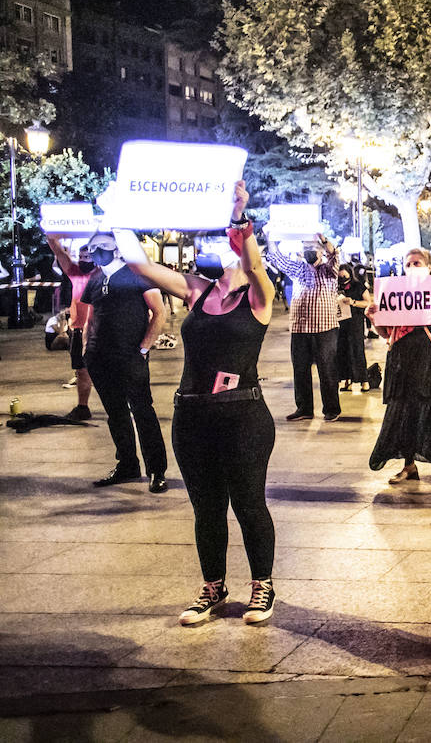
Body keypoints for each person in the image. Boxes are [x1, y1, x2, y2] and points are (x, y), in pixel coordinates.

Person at [114, 181, 279, 625]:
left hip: (243, 416)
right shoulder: (198, 291)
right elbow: (139, 265)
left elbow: (255, 262)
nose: (223, 248)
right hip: (192, 414)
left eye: (231, 242)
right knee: (206, 507)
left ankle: (262, 587)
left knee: (247, 503)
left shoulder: (259, 297)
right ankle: (213, 588)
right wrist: (118, 218)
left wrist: (240, 217)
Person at [78, 230, 170, 492]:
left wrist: (143, 349)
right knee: (116, 413)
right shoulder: (95, 279)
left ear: (114, 249)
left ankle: (157, 470)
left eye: (100, 249)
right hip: (101, 358)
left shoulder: (137, 274)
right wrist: (87, 349)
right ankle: (127, 464)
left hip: (130, 357)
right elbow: (90, 318)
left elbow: (159, 312)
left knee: (143, 411)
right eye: (93, 250)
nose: (95, 254)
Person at [367, 248, 431, 485]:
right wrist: (373, 318)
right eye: (408, 263)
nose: (412, 267)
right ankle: (408, 466)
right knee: (405, 414)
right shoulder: (393, 293)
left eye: (417, 262)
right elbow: (386, 334)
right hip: (403, 361)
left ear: (430, 266)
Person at [264, 233, 342, 422]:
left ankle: (331, 409)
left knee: (327, 369)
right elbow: (278, 259)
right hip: (300, 328)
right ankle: (304, 408)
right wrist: (271, 238)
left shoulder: (328, 271)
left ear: (320, 253)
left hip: (325, 328)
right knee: (300, 369)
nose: (309, 252)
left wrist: (324, 242)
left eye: (313, 249)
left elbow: (335, 256)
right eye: (307, 248)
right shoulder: (298, 268)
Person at [46, 236, 97, 420]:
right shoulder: (75, 272)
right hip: (77, 330)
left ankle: (121, 405)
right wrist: (51, 236)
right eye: (81, 257)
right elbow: (59, 252)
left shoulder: (101, 274)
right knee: (80, 370)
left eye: (88, 257)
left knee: (105, 369)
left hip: (96, 330)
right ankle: (83, 407)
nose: (84, 260)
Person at [336, 263, 371, 393]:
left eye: (344, 274)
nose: (342, 277)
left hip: (355, 322)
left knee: (357, 350)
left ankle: (364, 381)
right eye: (340, 275)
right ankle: (347, 380)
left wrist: (353, 302)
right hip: (341, 323)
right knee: (343, 351)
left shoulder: (358, 286)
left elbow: (368, 302)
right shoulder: (336, 286)